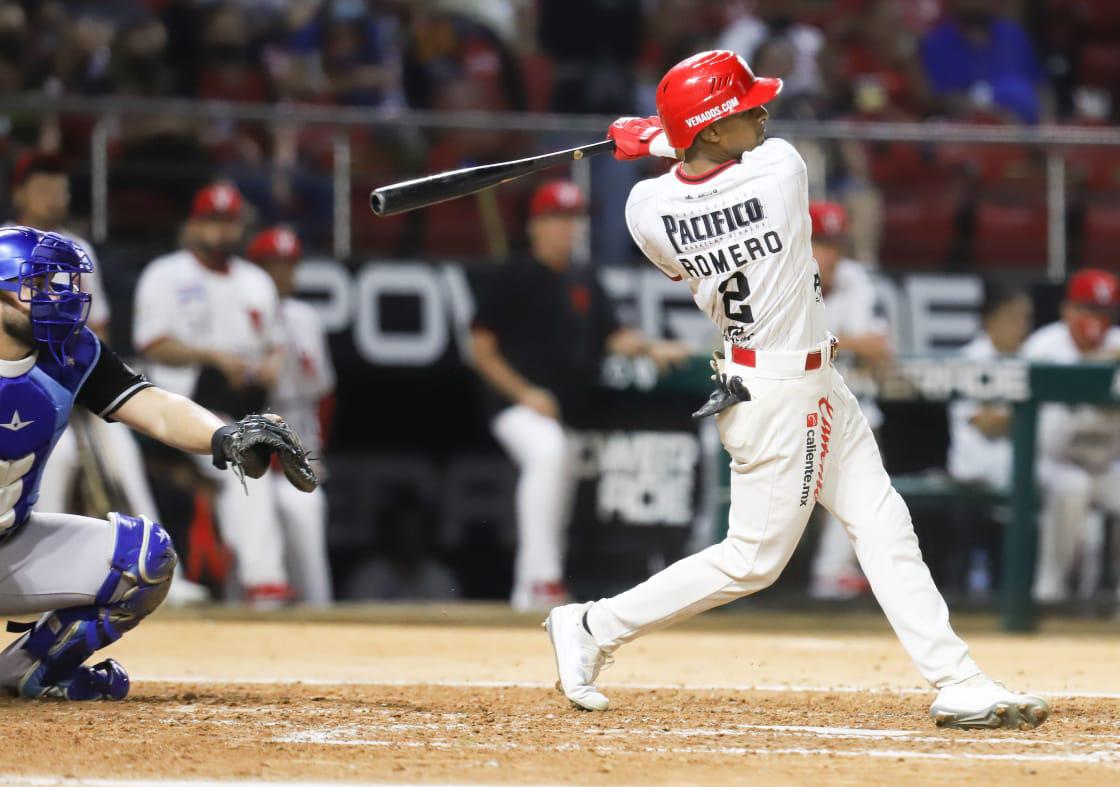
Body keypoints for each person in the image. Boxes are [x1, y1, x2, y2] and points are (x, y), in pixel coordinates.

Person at [544, 50, 1050, 731]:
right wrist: (659, 134)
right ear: (716, 130)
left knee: (882, 520)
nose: (764, 113)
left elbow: (691, 169)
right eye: (747, 108)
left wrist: (660, 138)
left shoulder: (645, 207)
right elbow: (719, 159)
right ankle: (592, 624)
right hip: (779, 390)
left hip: (795, 374)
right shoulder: (781, 170)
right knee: (752, 559)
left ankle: (957, 678)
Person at [0, 226, 315, 699]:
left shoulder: (70, 353)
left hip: (10, 543)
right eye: (38, 285)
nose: (56, 298)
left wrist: (223, 435)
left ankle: (24, 671)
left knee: (143, 560)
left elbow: (155, 406)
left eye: (59, 284)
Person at [469, 180, 690, 612]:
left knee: (560, 473)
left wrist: (650, 346)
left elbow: (613, 335)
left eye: (572, 219)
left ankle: (528, 588)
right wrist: (526, 393)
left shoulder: (584, 276)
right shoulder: (514, 274)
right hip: (513, 406)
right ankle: (542, 580)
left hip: (561, 411)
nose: (566, 228)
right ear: (535, 226)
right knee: (549, 451)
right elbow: (480, 349)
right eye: (557, 218)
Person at [9, 151, 209, 606]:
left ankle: (146, 572)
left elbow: (94, 331)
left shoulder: (78, 251)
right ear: (20, 192)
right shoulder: (5, 248)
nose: (55, 195)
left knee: (123, 452)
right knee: (54, 463)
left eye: (60, 186)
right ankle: (34, 576)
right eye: (43, 185)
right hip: (26, 381)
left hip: (68, 382)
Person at [133, 182, 292, 605]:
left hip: (237, 405)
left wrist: (265, 366)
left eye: (228, 222)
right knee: (247, 458)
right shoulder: (166, 273)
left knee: (251, 458)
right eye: (212, 222)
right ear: (193, 224)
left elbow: (275, 344)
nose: (220, 232)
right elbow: (151, 343)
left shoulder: (256, 280)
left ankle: (260, 583)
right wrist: (215, 358)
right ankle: (264, 582)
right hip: (174, 405)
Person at [805, 201, 892, 600]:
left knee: (862, 466)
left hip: (840, 403)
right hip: (788, 405)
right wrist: (841, 344)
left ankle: (832, 572)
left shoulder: (857, 279)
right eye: (820, 243)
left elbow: (878, 348)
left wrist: (831, 343)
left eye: (835, 244)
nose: (831, 255)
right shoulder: (780, 273)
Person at [245, 226, 334, 605]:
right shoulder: (244, 310)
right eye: (272, 265)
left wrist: (314, 453)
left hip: (297, 443)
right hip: (249, 448)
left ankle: (319, 611)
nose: (282, 274)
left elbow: (324, 395)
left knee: (306, 518)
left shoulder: (305, 317)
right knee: (254, 556)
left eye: (289, 265)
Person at [1020, 270, 1120, 602]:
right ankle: (1049, 591)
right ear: (1067, 310)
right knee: (1072, 487)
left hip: (1104, 465)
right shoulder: (1044, 345)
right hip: (1051, 463)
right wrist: (1096, 366)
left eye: (1104, 312)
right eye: (1087, 309)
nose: (1095, 320)